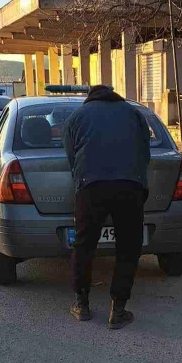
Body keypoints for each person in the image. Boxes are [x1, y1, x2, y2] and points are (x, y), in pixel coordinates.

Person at [62, 84, 151, 330]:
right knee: (128, 247)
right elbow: (145, 151)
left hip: (91, 187)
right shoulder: (134, 113)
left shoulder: (76, 117)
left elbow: (71, 156)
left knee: (84, 245)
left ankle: (81, 304)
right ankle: (118, 309)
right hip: (129, 186)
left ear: (90, 97)